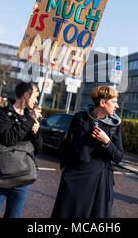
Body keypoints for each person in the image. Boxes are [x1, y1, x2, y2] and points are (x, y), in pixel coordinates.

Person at [51, 85, 123, 218]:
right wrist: (65, 168)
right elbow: (67, 146)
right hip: (75, 179)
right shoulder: (80, 118)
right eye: (114, 102)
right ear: (102, 102)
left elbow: (118, 157)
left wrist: (107, 142)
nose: (117, 106)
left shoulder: (114, 125)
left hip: (99, 182)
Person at [0, 82, 42, 218]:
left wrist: (36, 133)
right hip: (1, 174)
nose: (36, 100)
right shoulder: (3, 113)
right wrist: (29, 120)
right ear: (26, 95)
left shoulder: (30, 116)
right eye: (35, 96)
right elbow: (9, 139)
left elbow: (38, 149)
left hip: (22, 175)